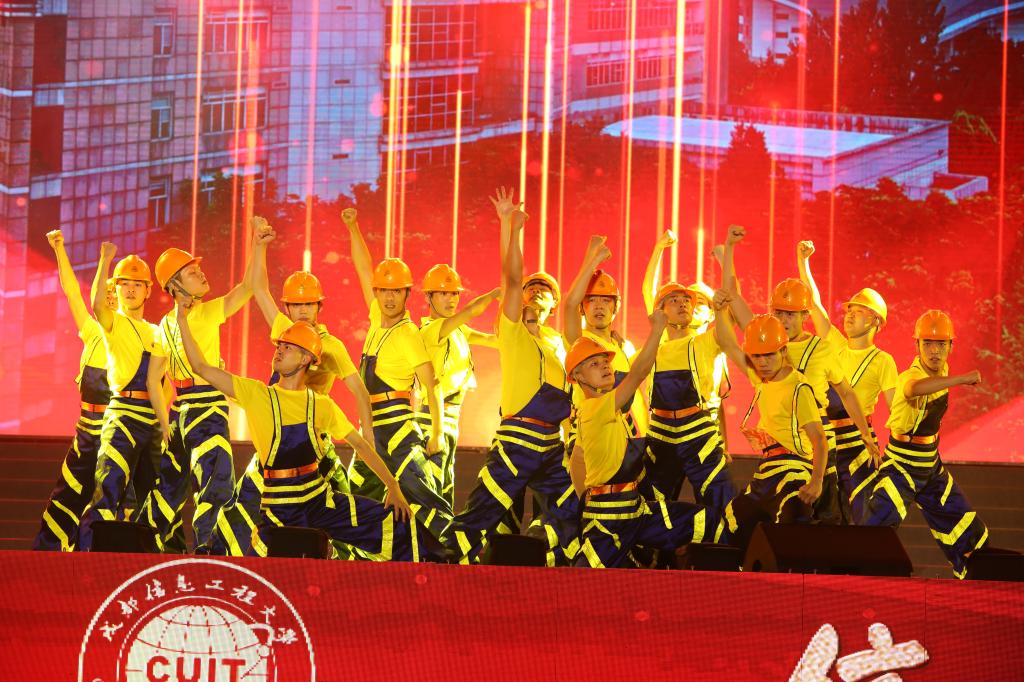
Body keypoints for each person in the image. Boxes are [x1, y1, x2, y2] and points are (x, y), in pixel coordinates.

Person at [176, 305, 437, 562]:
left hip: (320, 502)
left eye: (288, 347)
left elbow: (360, 445)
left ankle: (437, 574)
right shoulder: (256, 394)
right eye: (279, 346)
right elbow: (200, 366)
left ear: (305, 359)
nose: (279, 350)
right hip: (280, 509)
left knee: (400, 524)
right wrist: (182, 319)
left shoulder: (320, 404)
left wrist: (393, 486)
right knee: (268, 568)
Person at [211, 217, 376, 557]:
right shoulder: (285, 332)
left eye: (308, 304)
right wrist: (259, 244)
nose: (302, 310)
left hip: (312, 441)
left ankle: (348, 568)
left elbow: (359, 390)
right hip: (275, 442)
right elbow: (259, 290)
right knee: (243, 503)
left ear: (319, 306)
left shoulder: (331, 347)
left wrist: (368, 438)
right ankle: (221, 560)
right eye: (296, 305)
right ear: (288, 307)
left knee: (338, 506)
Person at [444, 189, 579, 566]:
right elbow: (512, 279)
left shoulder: (561, 344)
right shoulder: (512, 330)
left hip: (552, 443)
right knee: (483, 510)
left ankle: (538, 555)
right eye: (531, 288)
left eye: (544, 290)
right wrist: (510, 227)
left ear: (554, 303)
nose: (535, 293)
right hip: (517, 438)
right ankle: (447, 563)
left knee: (569, 509)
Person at [720, 226, 878, 525]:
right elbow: (733, 298)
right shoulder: (765, 339)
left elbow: (846, 392)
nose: (783, 320)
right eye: (779, 313)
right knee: (774, 517)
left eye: (790, 314)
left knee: (826, 518)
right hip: (779, 444)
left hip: (816, 442)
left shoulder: (822, 349)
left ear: (805, 316)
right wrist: (729, 249)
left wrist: (866, 435)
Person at [140, 230, 263, 553]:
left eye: (198, 269)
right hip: (200, 411)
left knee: (174, 486)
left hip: (188, 410)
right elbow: (152, 379)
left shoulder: (195, 315)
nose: (201, 274)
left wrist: (256, 243)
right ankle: (208, 550)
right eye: (192, 272)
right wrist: (164, 423)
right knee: (213, 480)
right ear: (174, 286)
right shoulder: (171, 323)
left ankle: (148, 546)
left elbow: (247, 287)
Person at [567, 309, 717, 568]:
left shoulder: (603, 409)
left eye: (605, 361)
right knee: (585, 578)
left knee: (706, 521)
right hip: (610, 516)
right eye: (594, 364)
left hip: (636, 509)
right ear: (578, 377)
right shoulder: (594, 408)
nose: (605, 366)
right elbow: (638, 374)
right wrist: (657, 329)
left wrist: (586, 501)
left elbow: (577, 459)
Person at [342, 207, 452, 544]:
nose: (389, 297)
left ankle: (451, 557)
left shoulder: (408, 334)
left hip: (398, 429)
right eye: (383, 291)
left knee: (425, 497)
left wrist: (437, 433)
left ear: (407, 294)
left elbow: (432, 384)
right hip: (370, 430)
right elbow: (363, 268)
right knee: (355, 500)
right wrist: (353, 227)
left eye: (397, 291)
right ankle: (353, 561)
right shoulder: (376, 318)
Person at [862, 310, 989, 578]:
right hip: (902, 465)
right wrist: (962, 379)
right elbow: (913, 389)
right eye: (927, 343)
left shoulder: (943, 368)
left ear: (950, 346)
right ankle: (854, 588)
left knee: (970, 532)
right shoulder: (911, 375)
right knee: (874, 532)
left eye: (941, 344)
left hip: (930, 466)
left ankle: (974, 587)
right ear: (917, 345)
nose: (934, 351)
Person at [797, 240, 899, 522]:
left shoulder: (883, 361)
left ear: (876, 320)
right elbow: (814, 304)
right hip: (825, 435)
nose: (850, 314)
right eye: (849, 310)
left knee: (860, 509)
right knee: (826, 512)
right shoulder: (834, 344)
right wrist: (804, 262)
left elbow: (896, 410)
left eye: (859, 311)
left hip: (858, 440)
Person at [33, 230, 117, 551]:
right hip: (86, 433)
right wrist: (59, 249)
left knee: (104, 500)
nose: (111, 298)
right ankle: (50, 557)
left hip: (114, 435)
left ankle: (96, 557)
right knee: (66, 496)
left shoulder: (132, 341)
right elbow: (71, 292)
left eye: (115, 294)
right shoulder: (92, 332)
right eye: (106, 294)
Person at [715, 309, 828, 547]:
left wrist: (817, 481)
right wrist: (720, 309)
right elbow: (727, 342)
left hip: (793, 468)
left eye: (769, 355)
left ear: (783, 351)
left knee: (789, 526)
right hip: (766, 471)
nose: (762, 363)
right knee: (733, 522)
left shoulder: (798, 387)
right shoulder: (761, 378)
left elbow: (818, 438)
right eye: (756, 356)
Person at [77, 244, 163, 551]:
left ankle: (152, 561)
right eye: (124, 283)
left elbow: (164, 382)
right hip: (123, 415)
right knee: (108, 489)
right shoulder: (113, 321)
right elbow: (97, 304)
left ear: (148, 290)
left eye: (137, 284)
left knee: (153, 497)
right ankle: (87, 559)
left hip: (152, 422)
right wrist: (104, 260)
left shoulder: (158, 331)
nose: (130, 289)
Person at [418, 263, 500, 506]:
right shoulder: (432, 329)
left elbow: (492, 340)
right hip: (434, 419)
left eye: (454, 293)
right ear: (428, 297)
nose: (451, 299)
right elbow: (472, 311)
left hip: (450, 420)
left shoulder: (457, 330)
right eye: (443, 293)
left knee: (444, 485)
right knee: (432, 488)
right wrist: (495, 294)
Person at [562, 236, 646, 454]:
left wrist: (645, 435)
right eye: (591, 300)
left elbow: (635, 396)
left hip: (624, 434)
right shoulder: (579, 342)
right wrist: (594, 260)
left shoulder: (622, 347)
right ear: (583, 307)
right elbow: (569, 305)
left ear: (615, 307)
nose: (598, 306)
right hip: (591, 433)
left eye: (606, 300)